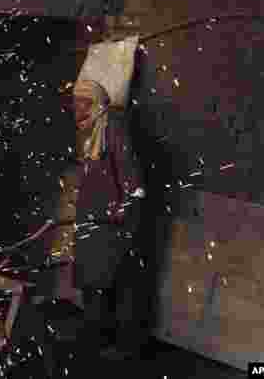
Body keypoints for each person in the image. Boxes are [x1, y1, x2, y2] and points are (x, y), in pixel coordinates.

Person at [68, 78, 151, 360]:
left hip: (110, 224)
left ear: (92, 103)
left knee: (115, 283)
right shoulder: (93, 129)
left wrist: (122, 212)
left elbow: (131, 176)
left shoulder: (112, 126)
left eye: (78, 100)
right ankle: (93, 339)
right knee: (93, 284)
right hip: (94, 221)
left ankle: (124, 347)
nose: (73, 105)